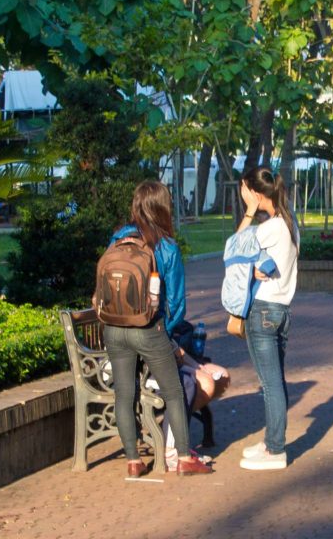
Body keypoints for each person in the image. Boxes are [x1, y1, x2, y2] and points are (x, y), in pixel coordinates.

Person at [103, 180, 212, 476]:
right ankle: (185, 459)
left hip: (113, 329)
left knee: (124, 395)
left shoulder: (118, 239)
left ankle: (133, 460)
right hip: (149, 329)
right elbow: (176, 305)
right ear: (164, 207)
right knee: (175, 392)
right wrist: (165, 332)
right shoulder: (166, 247)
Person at [237, 167, 300, 471]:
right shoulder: (289, 222)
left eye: (246, 191)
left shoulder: (271, 227)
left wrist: (249, 211)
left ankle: (275, 449)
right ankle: (272, 441)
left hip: (264, 309)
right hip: (282, 310)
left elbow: (234, 252)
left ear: (257, 194)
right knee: (275, 381)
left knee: (270, 384)